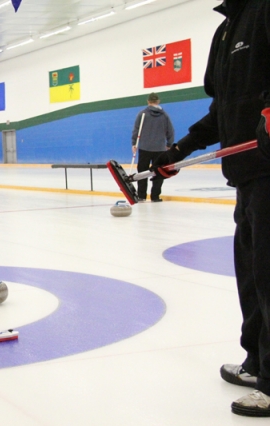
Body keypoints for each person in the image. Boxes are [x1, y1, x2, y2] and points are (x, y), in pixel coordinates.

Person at [151, 0, 270, 416]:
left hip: (269, 169)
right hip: (246, 175)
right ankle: (257, 363)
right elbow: (222, 110)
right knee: (253, 277)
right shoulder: (226, 29)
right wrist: (180, 148)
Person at [131, 92, 174, 202]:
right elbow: (170, 131)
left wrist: (134, 143)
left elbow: (136, 130)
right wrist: (169, 144)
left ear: (148, 102)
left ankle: (141, 196)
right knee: (159, 172)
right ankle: (155, 196)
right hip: (160, 149)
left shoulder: (142, 114)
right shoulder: (165, 116)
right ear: (158, 101)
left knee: (142, 172)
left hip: (145, 148)